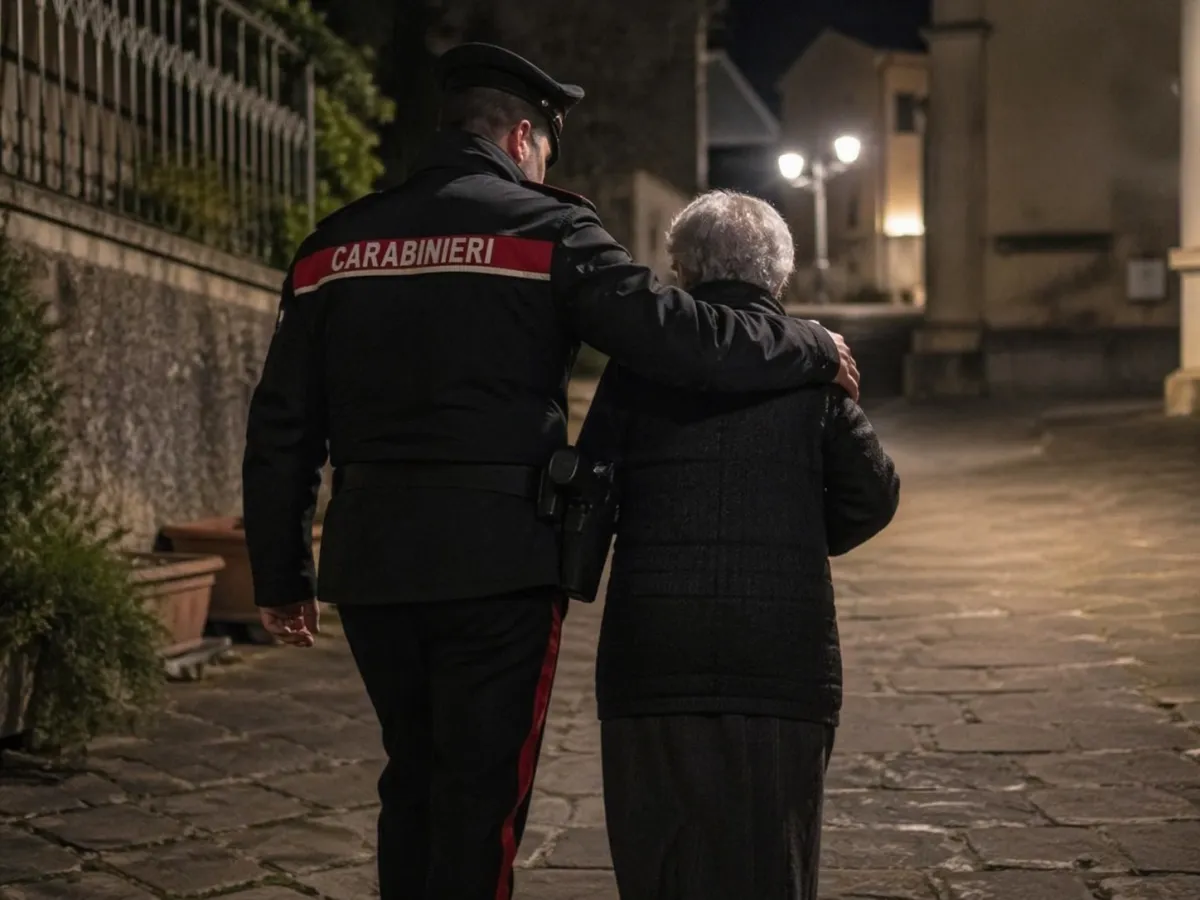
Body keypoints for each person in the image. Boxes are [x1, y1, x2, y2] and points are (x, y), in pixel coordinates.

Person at [241, 43, 862, 900]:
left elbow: (281, 423)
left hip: (373, 561)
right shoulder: (548, 234)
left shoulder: (332, 247)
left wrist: (281, 575)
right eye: (544, 150)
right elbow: (684, 338)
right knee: (481, 795)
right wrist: (811, 344)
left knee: (411, 776)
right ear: (521, 138)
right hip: (499, 563)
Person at [578, 190, 901, 900]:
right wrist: (801, 531)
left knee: (659, 861)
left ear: (683, 271)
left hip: (653, 652)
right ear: (778, 274)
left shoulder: (638, 368)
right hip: (779, 655)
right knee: (770, 862)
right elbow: (873, 494)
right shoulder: (815, 367)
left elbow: (592, 487)